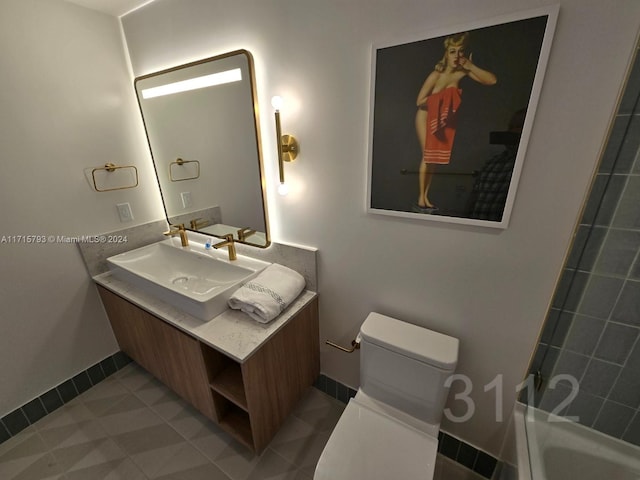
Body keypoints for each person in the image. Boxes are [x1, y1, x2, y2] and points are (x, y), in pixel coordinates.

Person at [414, 32, 497, 213]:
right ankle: (421, 197)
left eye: (460, 52)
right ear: (446, 53)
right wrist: (442, 101)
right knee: (428, 156)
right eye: (452, 51)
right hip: (425, 116)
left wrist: (470, 65)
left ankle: (425, 196)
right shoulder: (436, 74)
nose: (456, 56)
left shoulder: (461, 73)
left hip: (442, 119)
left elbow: (491, 80)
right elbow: (419, 101)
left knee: (433, 159)